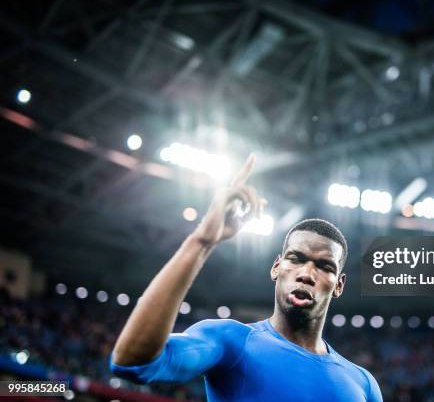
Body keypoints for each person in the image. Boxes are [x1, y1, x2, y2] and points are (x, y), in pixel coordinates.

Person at [110, 154, 383, 401]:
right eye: (296, 259)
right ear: (276, 267)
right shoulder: (231, 341)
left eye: (324, 266)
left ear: (339, 285)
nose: (306, 274)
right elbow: (133, 363)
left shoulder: (364, 384)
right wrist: (202, 241)